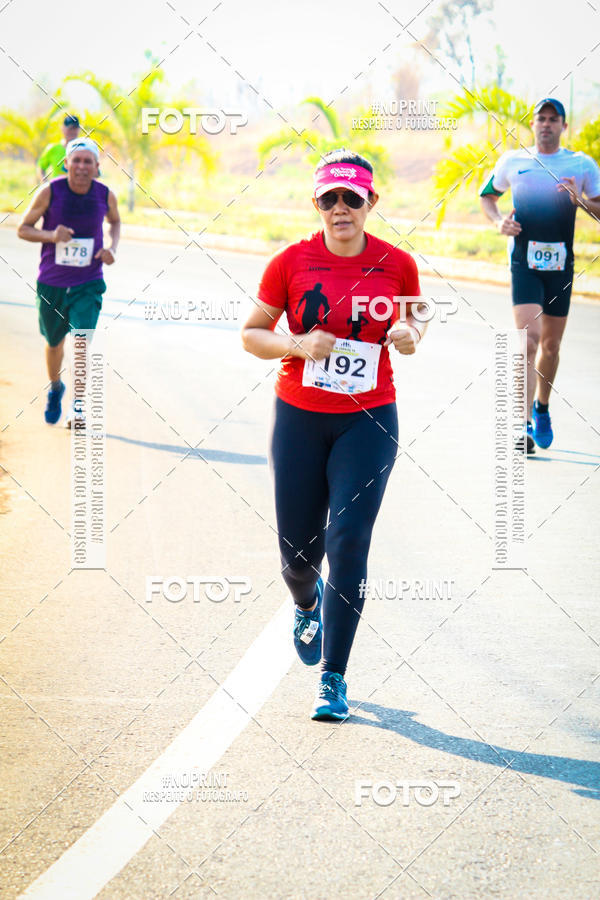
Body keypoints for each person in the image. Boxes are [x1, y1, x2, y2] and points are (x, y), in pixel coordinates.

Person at [242, 149, 425, 721]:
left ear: (372, 201)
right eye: (330, 198)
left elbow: (418, 313)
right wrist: (298, 343)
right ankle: (306, 601)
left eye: (352, 197)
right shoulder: (289, 262)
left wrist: (410, 331)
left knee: (348, 541)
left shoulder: (397, 262)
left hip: (369, 419)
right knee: (298, 553)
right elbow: (252, 334)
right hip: (299, 416)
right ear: (316, 202)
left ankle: (333, 678)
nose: (340, 207)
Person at [480, 97, 600, 453]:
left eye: (553, 119)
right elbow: (488, 196)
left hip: (560, 266)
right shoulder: (514, 162)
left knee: (551, 345)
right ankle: (523, 426)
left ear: (564, 126)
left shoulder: (581, 165)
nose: (546, 124)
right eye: (541, 119)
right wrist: (498, 221)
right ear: (533, 125)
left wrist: (581, 202)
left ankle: (542, 407)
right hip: (523, 263)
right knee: (529, 341)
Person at [18, 137, 120, 425]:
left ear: (97, 167)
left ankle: (77, 406)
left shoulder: (105, 194)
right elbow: (23, 229)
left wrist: (112, 248)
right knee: (54, 343)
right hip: (52, 283)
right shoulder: (50, 192)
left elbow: (115, 221)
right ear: (66, 164)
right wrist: (51, 235)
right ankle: (55, 388)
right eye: (76, 160)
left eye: (88, 161)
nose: (82, 166)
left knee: (81, 342)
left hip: (88, 282)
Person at [38, 115, 81, 182]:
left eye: (74, 128)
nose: (72, 132)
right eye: (70, 128)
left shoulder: (84, 149)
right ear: (63, 128)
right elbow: (41, 167)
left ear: (79, 130)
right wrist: (46, 184)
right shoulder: (53, 148)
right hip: (57, 191)